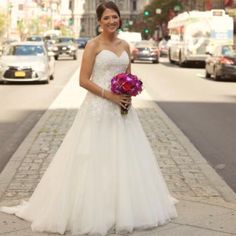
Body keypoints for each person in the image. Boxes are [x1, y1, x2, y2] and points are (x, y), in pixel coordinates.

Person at [0, 1, 177, 235]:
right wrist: (109, 96)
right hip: (98, 108)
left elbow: (127, 75)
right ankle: (96, 208)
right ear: (100, 21)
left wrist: (128, 92)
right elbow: (83, 80)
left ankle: (124, 206)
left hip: (122, 109)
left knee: (124, 156)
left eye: (115, 17)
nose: (112, 21)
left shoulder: (125, 44)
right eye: (107, 18)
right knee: (95, 157)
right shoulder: (93, 45)